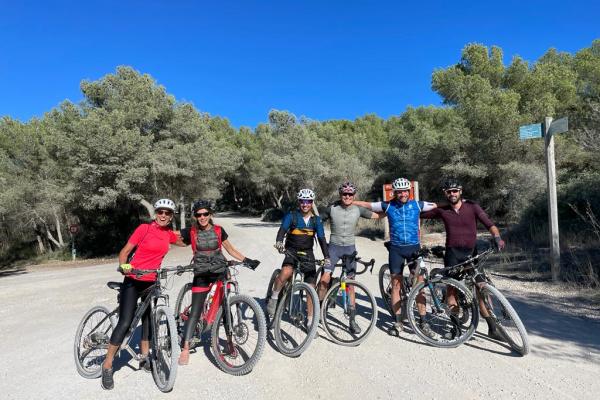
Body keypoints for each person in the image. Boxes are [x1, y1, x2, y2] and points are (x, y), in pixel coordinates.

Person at [101, 198, 184, 390]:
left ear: (171, 217)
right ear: (155, 213)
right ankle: (107, 365)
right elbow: (125, 252)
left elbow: (187, 240)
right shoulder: (143, 229)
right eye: (160, 212)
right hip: (133, 280)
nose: (163, 215)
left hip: (152, 282)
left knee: (148, 321)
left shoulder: (169, 235)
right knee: (125, 322)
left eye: (167, 213)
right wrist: (126, 268)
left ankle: (145, 357)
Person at [421, 177, 506, 341]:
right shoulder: (442, 210)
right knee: (452, 289)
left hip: (471, 253)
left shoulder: (472, 207)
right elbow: (417, 213)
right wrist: (437, 204)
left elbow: (489, 224)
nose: (452, 194)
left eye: (455, 191)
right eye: (449, 192)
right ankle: (456, 327)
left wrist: (497, 237)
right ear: (445, 194)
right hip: (453, 254)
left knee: (481, 287)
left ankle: (492, 327)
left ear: (460, 191)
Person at [177, 199, 260, 365]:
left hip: (220, 272)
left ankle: (229, 341)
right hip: (201, 275)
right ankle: (185, 348)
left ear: (210, 214)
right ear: (195, 216)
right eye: (199, 214)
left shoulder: (218, 230)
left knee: (225, 308)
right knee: (195, 311)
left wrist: (247, 260)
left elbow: (230, 249)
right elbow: (172, 240)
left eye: (205, 214)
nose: (202, 217)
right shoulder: (191, 232)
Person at [354, 177, 437, 335]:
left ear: (409, 191)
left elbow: (437, 205)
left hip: (414, 248)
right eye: (400, 192)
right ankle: (398, 322)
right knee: (396, 286)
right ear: (395, 193)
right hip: (396, 250)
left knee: (419, 286)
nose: (403, 194)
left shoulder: (417, 205)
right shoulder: (388, 205)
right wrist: (352, 202)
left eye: (405, 191)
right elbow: (368, 205)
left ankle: (423, 321)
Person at [317, 181, 381, 334]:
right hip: (333, 248)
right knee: (325, 278)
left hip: (350, 249)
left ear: (354, 195)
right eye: (344, 194)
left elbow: (378, 215)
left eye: (350, 194)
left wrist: (394, 209)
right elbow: (316, 222)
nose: (347, 196)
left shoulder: (359, 209)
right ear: (340, 194)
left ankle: (352, 319)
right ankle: (319, 310)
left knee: (351, 283)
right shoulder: (332, 208)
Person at [267, 189, 330, 331]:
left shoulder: (316, 220)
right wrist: (279, 242)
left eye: (308, 201)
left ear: (312, 203)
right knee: (285, 272)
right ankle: (275, 296)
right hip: (291, 250)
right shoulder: (292, 216)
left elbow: (321, 239)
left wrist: (327, 257)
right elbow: (282, 230)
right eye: (302, 201)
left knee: (311, 288)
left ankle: (309, 322)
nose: (305, 204)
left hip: (307, 253)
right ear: (299, 202)